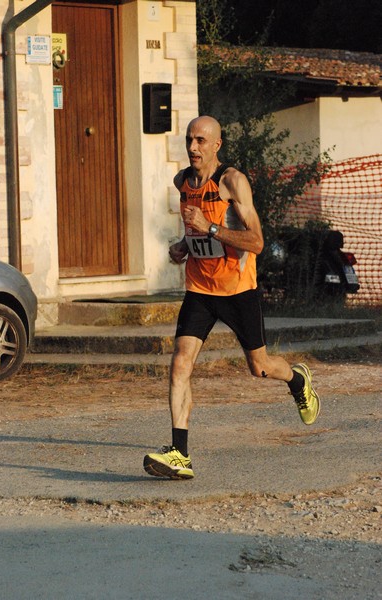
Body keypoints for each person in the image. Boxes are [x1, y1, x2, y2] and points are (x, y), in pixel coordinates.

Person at [143, 115, 320, 480]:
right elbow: (194, 235)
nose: (192, 147)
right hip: (200, 291)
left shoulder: (232, 182)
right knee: (180, 363)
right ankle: (180, 453)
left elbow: (256, 243)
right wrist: (182, 247)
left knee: (260, 367)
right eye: (189, 140)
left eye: (200, 141)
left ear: (217, 144)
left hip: (238, 291)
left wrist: (208, 227)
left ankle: (298, 380)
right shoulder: (182, 183)